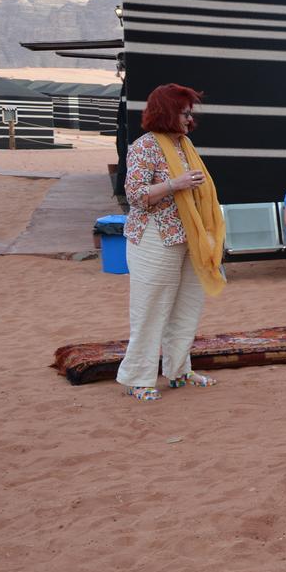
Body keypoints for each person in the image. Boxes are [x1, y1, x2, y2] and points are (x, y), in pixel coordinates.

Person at [116, 83, 226, 401]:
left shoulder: (184, 145)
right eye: (184, 111)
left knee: (187, 306)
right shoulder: (145, 146)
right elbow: (135, 195)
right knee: (151, 309)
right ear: (166, 112)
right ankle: (138, 378)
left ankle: (178, 369)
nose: (189, 117)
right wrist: (175, 184)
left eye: (190, 112)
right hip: (154, 238)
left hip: (189, 239)